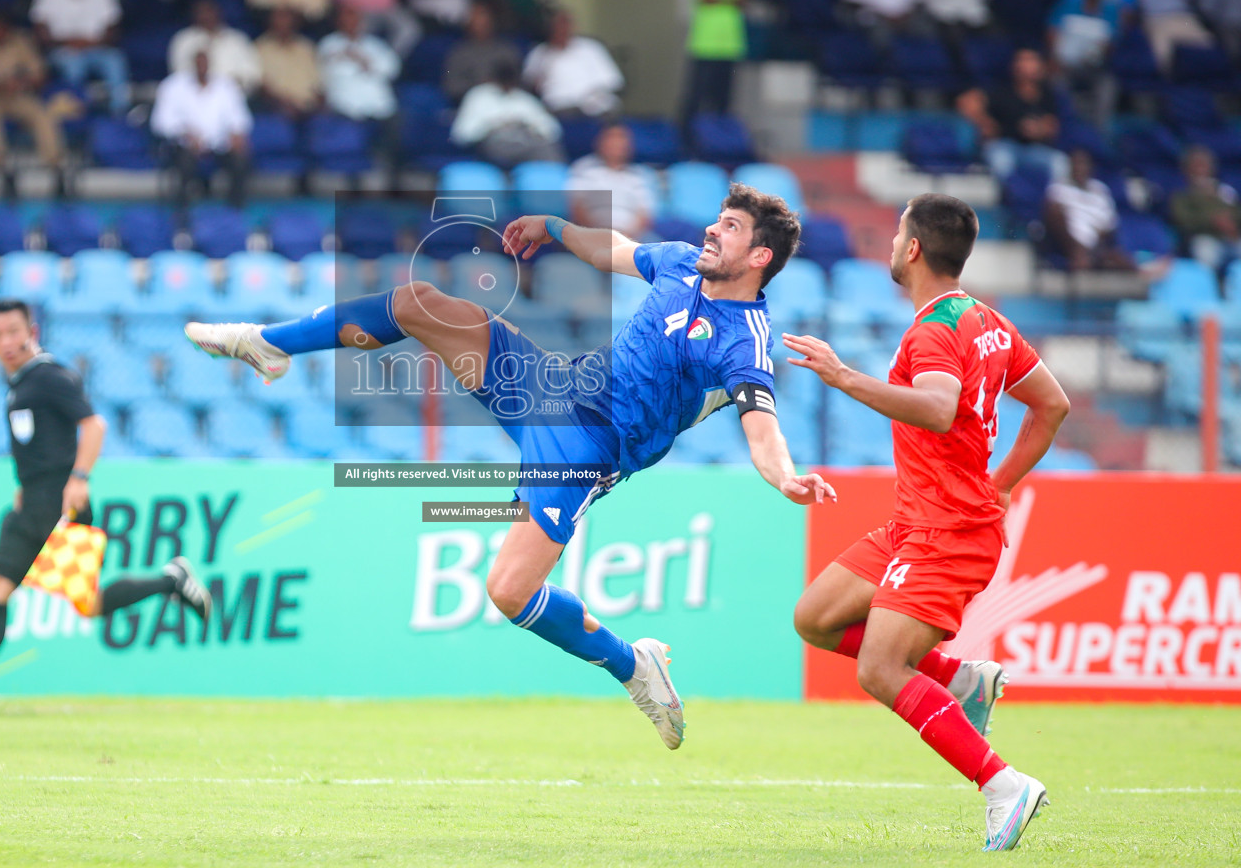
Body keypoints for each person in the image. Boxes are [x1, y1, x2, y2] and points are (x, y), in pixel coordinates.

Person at [185, 185, 834, 750]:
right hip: (548, 387)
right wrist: (553, 229)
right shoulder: (678, 265)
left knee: (508, 590)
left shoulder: (743, 338)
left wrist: (784, 476)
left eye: (730, 227)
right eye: (717, 219)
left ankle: (632, 666)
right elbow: (609, 248)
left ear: (759, 258)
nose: (711, 231)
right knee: (416, 301)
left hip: (586, 452)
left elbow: (762, 425)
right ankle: (269, 344)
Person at [785, 193, 1069, 851]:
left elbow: (940, 409)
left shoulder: (934, 331)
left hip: (947, 532)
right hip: (918, 521)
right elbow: (1050, 405)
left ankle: (1003, 785)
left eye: (896, 233)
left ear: (913, 249)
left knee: (881, 668)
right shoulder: (988, 322)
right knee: (816, 617)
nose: (890, 242)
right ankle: (963, 679)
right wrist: (999, 485)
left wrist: (843, 377)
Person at [0, 298, 213, 713]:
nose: (5, 342)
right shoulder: (20, 383)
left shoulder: (50, 377)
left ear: (31, 332)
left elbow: (94, 425)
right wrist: (23, 484)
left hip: (61, 506)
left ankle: (171, 580)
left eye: (13, 332)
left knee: (88, 605)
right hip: (30, 506)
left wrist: (79, 479)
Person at [0, 9, 64, 193]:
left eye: (2, 30)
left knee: (41, 114)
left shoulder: (20, 41)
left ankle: (56, 166)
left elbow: (39, 74)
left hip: (14, 94)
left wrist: (22, 81)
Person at [31, 0, 130, 115]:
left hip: (96, 46)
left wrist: (93, 43)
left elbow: (113, 25)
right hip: (62, 48)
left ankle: (119, 111)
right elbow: (40, 26)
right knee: (74, 67)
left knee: (115, 61)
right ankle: (78, 113)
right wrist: (65, 43)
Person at [151, 50, 252, 205]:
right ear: (192, 64)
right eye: (198, 62)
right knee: (185, 161)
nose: (202, 66)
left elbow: (240, 118)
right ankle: (182, 212)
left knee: (240, 159)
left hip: (220, 145)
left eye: (205, 62)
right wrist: (184, 133)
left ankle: (235, 209)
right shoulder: (173, 86)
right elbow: (160, 122)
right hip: (185, 146)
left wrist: (236, 134)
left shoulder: (226, 86)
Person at [956, 48, 1065, 183]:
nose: (1025, 65)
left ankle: (1053, 201)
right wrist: (984, 121)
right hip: (1004, 145)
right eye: (1022, 60)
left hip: (1033, 149)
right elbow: (965, 101)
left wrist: (1038, 130)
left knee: (1060, 162)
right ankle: (1010, 199)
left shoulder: (1047, 95)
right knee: (1001, 161)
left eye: (1030, 60)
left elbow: (1052, 126)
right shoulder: (1003, 92)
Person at [450, 58, 563, 168]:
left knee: (549, 150)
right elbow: (462, 134)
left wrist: (527, 125)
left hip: (526, 140)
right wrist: (495, 125)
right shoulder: (479, 96)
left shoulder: (524, 98)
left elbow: (553, 130)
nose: (507, 85)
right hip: (494, 143)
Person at [1047, 0, 1120, 127]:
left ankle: (1099, 134)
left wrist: (1098, 52)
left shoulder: (1110, 12)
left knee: (1108, 86)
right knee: (1056, 82)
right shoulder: (1066, 6)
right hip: (1064, 65)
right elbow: (1052, 33)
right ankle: (1065, 126)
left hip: (1093, 68)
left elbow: (1111, 44)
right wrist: (1055, 58)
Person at [523, 9, 624, 118]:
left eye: (565, 23)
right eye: (557, 25)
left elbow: (613, 81)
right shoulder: (539, 53)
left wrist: (590, 97)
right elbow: (529, 84)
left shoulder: (591, 47)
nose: (562, 29)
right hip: (558, 109)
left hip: (594, 109)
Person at [565, 122, 659, 239]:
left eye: (621, 137)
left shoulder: (640, 175)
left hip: (632, 237)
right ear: (599, 142)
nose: (617, 143)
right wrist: (599, 235)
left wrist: (627, 237)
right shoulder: (583, 168)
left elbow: (645, 214)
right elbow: (577, 207)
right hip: (591, 234)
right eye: (611, 137)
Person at [1043, 149, 1132, 271]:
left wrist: (1093, 247)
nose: (1079, 168)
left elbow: (1110, 223)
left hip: (1096, 244)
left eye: (1083, 164)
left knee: (1124, 263)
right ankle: (1079, 256)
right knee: (1055, 213)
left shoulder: (1100, 189)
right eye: (1076, 164)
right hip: (1068, 243)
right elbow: (1054, 216)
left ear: (1090, 167)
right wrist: (1078, 248)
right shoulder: (1058, 187)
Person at [317, 5, 400, 123]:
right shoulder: (328, 44)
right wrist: (342, 56)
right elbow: (325, 73)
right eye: (345, 21)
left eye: (354, 20)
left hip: (378, 107)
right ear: (338, 23)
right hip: (344, 109)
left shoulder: (376, 45)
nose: (350, 24)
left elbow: (392, 70)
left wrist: (363, 60)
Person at [1169, 145, 1241, 269]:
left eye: (1204, 165)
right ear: (1187, 169)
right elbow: (1183, 219)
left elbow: (1237, 210)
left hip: (1231, 236)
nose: (1201, 169)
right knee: (1206, 253)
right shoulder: (1182, 195)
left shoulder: (1224, 190)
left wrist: (1230, 221)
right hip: (1204, 237)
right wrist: (1213, 221)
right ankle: (1208, 286)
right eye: (1196, 165)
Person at [168, 0, 260, 91]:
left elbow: (252, 75)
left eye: (209, 11)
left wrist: (229, 85)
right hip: (194, 98)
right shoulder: (183, 40)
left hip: (233, 97)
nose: (206, 16)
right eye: (201, 12)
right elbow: (178, 75)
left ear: (219, 12)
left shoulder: (237, 39)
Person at [443, 0, 522, 102]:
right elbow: (452, 87)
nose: (481, 23)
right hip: (473, 103)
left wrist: (498, 86)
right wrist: (480, 86)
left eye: (484, 17)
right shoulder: (458, 53)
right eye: (476, 18)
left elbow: (519, 82)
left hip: (506, 101)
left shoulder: (507, 50)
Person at [253, 6, 321, 118]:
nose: (284, 24)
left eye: (287, 20)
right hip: (278, 109)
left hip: (309, 108)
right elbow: (262, 87)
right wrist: (282, 105)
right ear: (270, 22)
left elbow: (318, 84)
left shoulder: (306, 48)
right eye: (279, 19)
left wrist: (317, 104)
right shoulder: (260, 48)